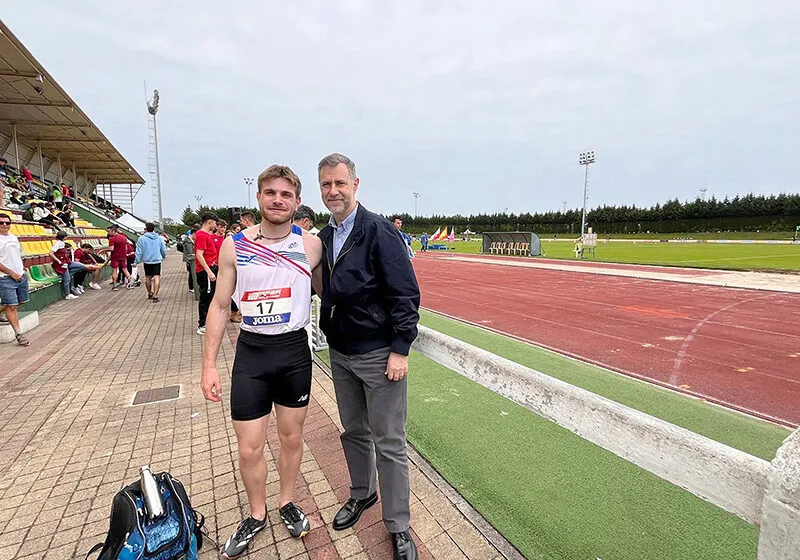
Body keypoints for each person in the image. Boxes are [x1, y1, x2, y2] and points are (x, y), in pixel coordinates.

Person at [201, 165, 322, 557]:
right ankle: (256, 514)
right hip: (252, 353)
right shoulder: (234, 245)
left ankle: (286, 502)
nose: (277, 200)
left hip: (293, 352)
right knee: (250, 448)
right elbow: (220, 306)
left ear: (297, 201)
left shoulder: (311, 246)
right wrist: (208, 365)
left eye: (286, 194)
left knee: (291, 438)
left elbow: (335, 291)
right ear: (258, 197)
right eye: (270, 193)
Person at [317, 153, 421, 560]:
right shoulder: (325, 237)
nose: (333, 191)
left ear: (355, 185)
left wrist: (400, 349)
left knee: (390, 442)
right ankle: (362, 493)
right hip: (340, 353)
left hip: (379, 355)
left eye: (340, 183)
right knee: (353, 431)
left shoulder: (378, 230)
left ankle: (398, 525)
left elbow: (405, 293)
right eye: (326, 184)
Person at [0, 212, 31, 346]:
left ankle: (3, 308)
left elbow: (18, 255)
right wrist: (11, 273)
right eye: (1, 223)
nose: (5, 225)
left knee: (19, 302)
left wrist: (22, 270)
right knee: (11, 306)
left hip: (20, 276)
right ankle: (19, 334)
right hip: (5, 278)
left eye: (7, 222)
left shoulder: (13, 237)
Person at [194, 213, 219, 335]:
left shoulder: (203, 235)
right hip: (206, 270)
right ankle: (202, 324)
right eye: (215, 223)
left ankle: (208, 322)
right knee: (206, 297)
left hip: (211, 267)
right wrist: (209, 271)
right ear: (210, 222)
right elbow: (199, 254)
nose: (215, 226)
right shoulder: (202, 235)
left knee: (211, 296)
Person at [135, 222, 167, 303]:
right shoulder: (159, 238)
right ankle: (156, 295)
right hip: (156, 260)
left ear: (146, 229)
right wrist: (163, 256)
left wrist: (137, 261)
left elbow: (139, 251)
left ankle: (149, 293)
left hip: (147, 260)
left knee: (148, 277)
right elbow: (163, 249)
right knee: (157, 276)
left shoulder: (141, 238)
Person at [49, 232, 86, 299]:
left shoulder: (62, 243)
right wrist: (58, 261)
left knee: (82, 266)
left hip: (67, 262)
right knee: (67, 279)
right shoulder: (58, 244)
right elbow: (51, 253)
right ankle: (68, 294)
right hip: (62, 264)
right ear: (64, 237)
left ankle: (68, 273)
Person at [182, 226, 198, 293]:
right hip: (190, 260)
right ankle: (191, 287)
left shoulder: (190, 240)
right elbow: (190, 252)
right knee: (192, 274)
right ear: (193, 233)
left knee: (192, 273)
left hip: (191, 259)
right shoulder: (188, 241)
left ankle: (192, 286)